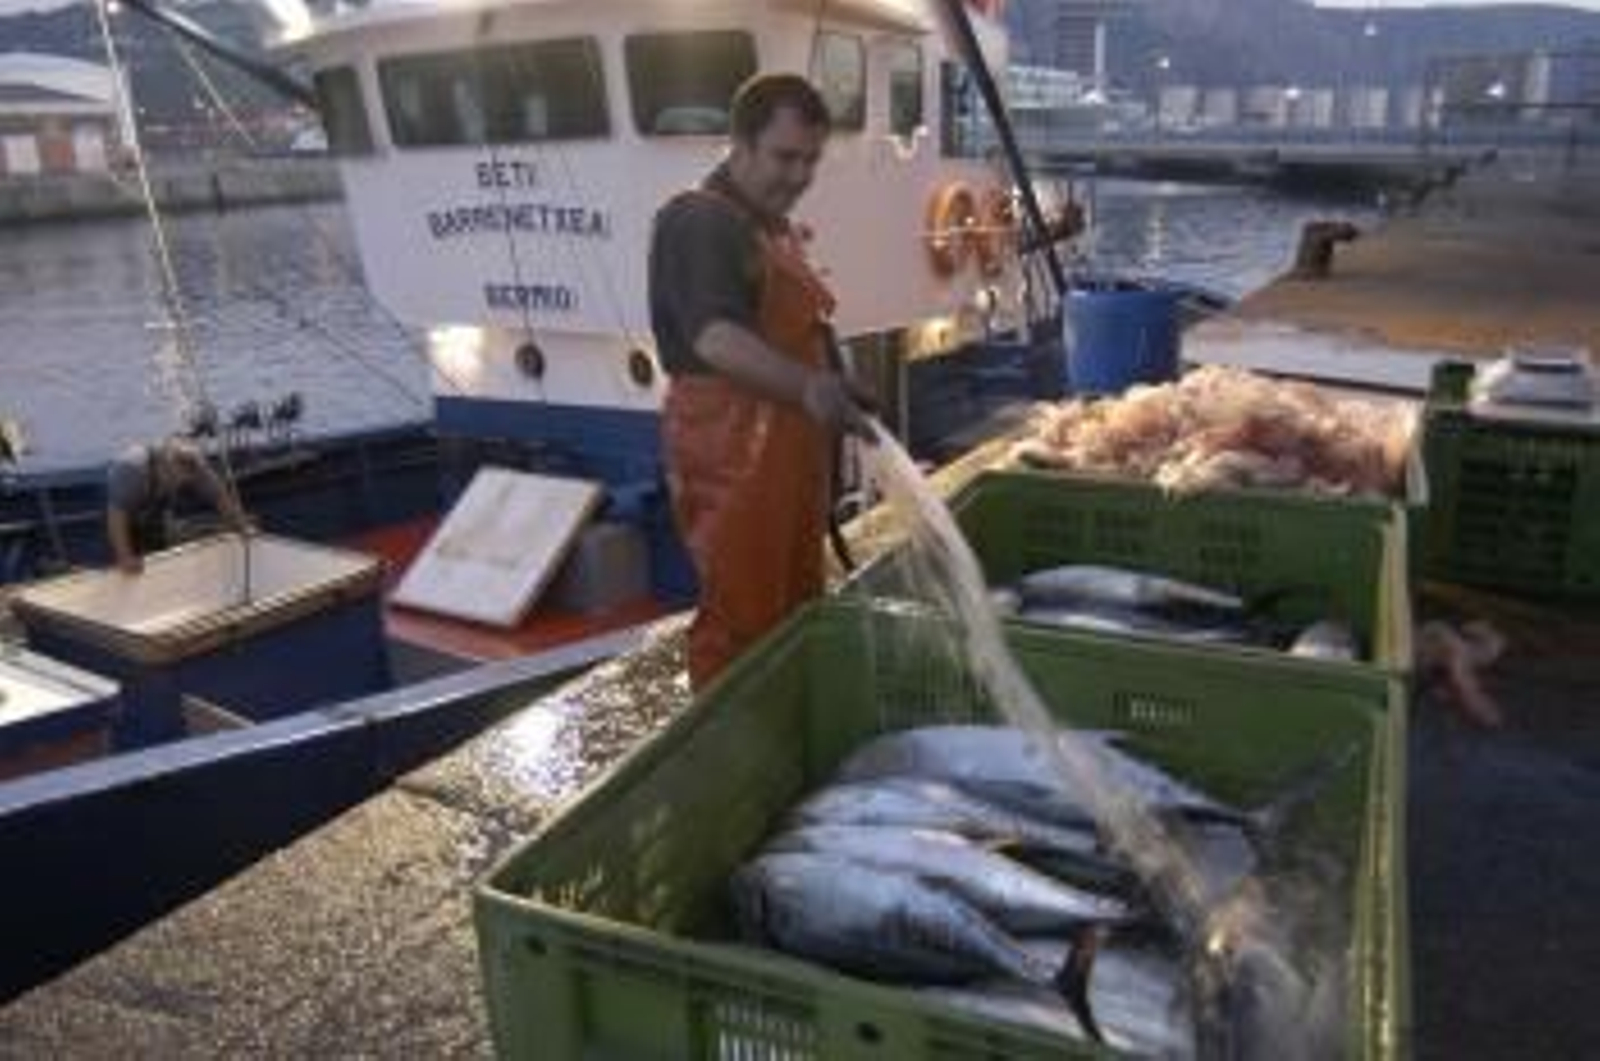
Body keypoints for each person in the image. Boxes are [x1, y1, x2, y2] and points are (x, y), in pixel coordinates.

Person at [649, 73, 875, 690]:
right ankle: (730, 756)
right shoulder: (699, 221)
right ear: (739, 143)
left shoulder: (767, 225)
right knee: (740, 627)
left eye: (811, 160)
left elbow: (795, 331)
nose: (799, 175)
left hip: (787, 465)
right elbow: (715, 338)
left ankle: (789, 739)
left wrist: (839, 382)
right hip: (732, 463)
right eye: (784, 156)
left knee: (797, 613)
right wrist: (809, 388)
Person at [105, 438, 250, 574]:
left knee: (158, 554)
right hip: (121, 511)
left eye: (182, 481)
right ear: (163, 464)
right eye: (171, 477)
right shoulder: (131, 469)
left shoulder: (195, 466)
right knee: (126, 560)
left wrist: (241, 526)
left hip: (153, 509)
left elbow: (219, 496)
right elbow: (116, 515)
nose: (176, 483)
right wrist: (125, 556)